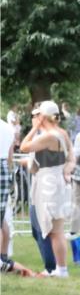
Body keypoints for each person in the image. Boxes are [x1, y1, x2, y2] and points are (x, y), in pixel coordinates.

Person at [19, 101, 74, 277]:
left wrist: (34, 128)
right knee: (55, 228)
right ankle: (60, 268)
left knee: (55, 230)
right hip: (55, 179)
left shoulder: (50, 135)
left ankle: (61, 269)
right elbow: (71, 157)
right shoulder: (62, 133)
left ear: (43, 116)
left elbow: (24, 146)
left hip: (48, 182)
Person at [0, 113, 14, 266]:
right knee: (1, 216)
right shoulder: (7, 127)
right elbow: (10, 158)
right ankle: (3, 254)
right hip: (4, 168)